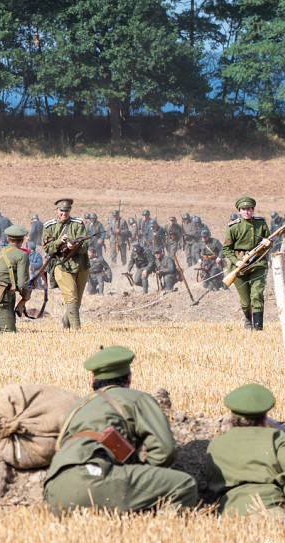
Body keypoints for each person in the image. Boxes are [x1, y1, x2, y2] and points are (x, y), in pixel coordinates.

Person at [44, 346, 198, 514]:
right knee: (184, 485)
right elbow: (165, 450)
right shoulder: (138, 399)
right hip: (95, 480)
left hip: (54, 488)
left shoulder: (78, 406)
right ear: (129, 378)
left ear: (92, 380)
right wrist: (143, 471)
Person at [206, 384, 285, 517]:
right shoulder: (277, 439)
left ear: (233, 416)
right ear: (264, 417)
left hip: (229, 514)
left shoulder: (215, 445)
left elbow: (212, 482)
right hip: (271, 509)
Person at [222, 196, 271, 330]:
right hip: (239, 268)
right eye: (243, 209)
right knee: (245, 302)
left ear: (253, 210)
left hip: (258, 264)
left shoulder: (261, 223)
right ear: (239, 211)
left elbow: (268, 242)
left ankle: (258, 327)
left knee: (257, 295)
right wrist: (236, 262)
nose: (246, 212)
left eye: (249, 209)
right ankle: (248, 319)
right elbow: (226, 249)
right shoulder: (233, 227)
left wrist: (268, 243)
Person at [43, 198, 90, 329]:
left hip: (81, 266)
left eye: (67, 210)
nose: (64, 213)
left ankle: (66, 320)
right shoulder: (49, 226)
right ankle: (76, 330)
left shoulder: (78, 224)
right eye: (61, 210)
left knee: (77, 302)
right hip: (61, 266)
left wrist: (73, 246)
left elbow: (85, 246)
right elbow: (47, 247)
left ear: (70, 210)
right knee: (71, 298)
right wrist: (59, 242)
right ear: (57, 210)